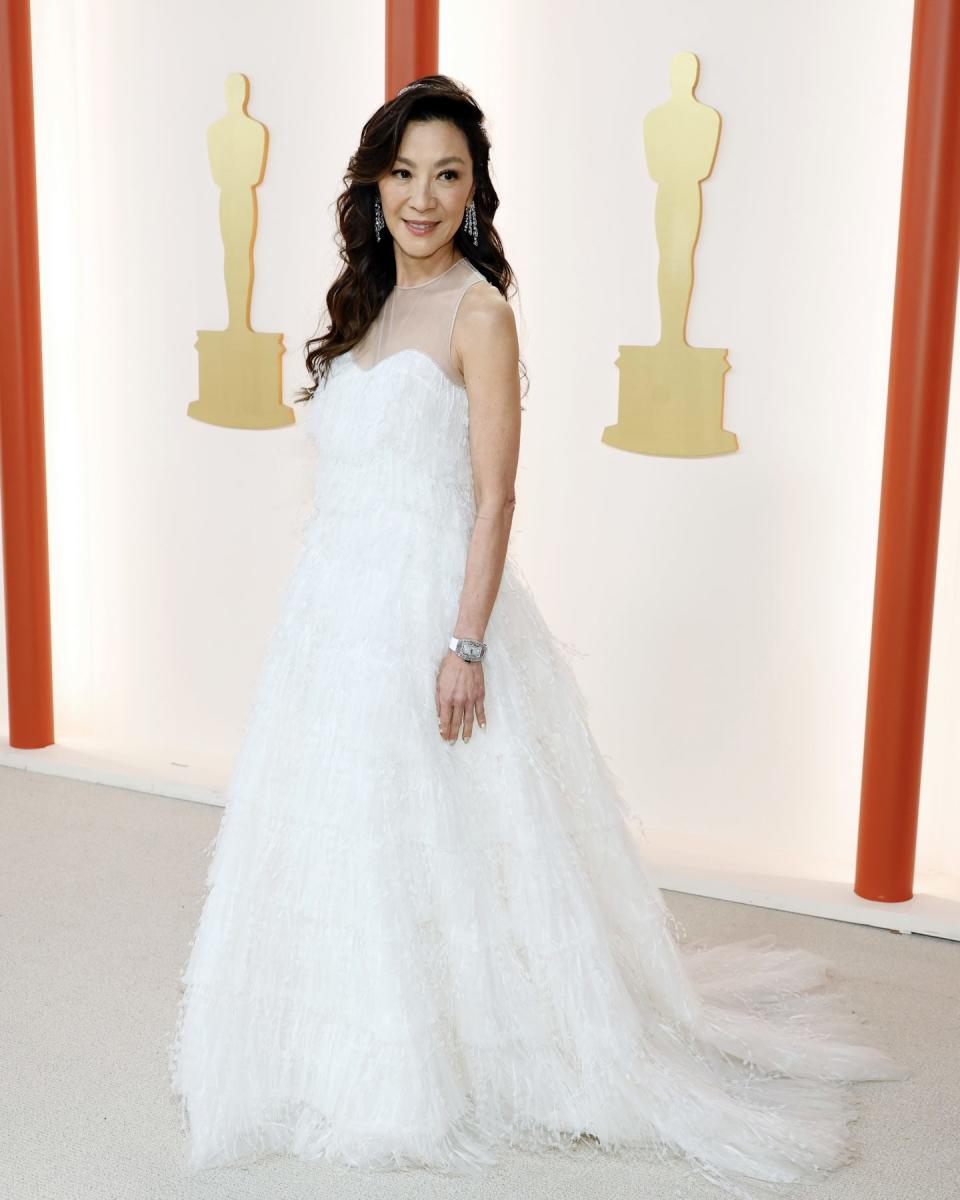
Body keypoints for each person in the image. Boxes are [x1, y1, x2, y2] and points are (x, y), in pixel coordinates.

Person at [168, 75, 908, 1198]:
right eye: (404, 172)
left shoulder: (481, 312)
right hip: (330, 616)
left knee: (448, 840)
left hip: (430, 610)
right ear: (374, 185)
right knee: (342, 837)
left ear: (474, 193)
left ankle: (467, 1046)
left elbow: (496, 495)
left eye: (447, 175)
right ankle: (345, 1037)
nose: (423, 196)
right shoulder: (363, 308)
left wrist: (465, 646)